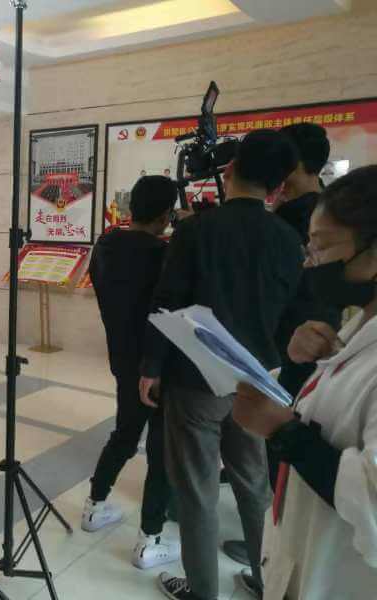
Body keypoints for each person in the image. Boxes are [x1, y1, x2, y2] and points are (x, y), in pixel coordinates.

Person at [140, 129, 304, 600]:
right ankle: (265, 581)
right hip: (258, 382)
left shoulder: (195, 230)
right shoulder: (288, 238)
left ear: (229, 170)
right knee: (254, 485)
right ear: (278, 187)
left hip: (195, 380)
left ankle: (203, 592)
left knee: (197, 490)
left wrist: (151, 367)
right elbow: (292, 316)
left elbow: (168, 301)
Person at [232, 165, 377, 600]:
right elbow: (329, 415)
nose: (310, 261)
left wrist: (283, 432)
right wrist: (299, 365)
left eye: (323, 246)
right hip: (303, 553)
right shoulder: (357, 327)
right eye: (309, 247)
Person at [224, 123, 339, 569]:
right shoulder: (312, 211)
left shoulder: (291, 221)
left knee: (281, 454)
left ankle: (272, 553)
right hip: (303, 348)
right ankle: (275, 546)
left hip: (290, 354)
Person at [82, 176, 180, 570]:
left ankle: (95, 506)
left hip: (122, 359)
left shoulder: (105, 246)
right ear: (165, 214)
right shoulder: (165, 254)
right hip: (158, 366)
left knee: (124, 432)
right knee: (160, 448)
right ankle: (149, 538)